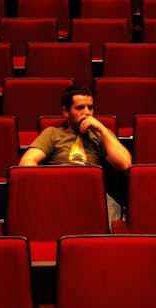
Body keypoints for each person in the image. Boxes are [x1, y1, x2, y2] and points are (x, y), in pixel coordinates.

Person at [17, 85, 132, 222]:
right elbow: (26, 162)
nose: (87, 112)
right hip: (60, 189)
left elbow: (125, 164)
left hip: (92, 191)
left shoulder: (102, 134)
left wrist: (102, 129)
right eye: (80, 108)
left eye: (90, 107)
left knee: (111, 212)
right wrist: (47, 187)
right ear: (66, 112)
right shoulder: (53, 133)